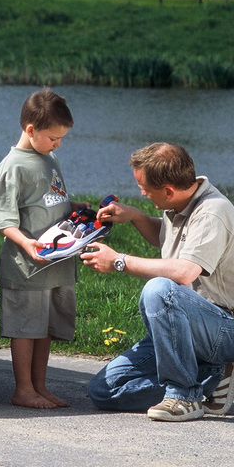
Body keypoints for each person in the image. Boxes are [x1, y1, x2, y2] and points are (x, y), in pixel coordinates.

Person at [81, 143, 234, 422]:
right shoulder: (179, 203)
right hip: (186, 327)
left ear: (168, 190)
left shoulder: (213, 212)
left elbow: (185, 271)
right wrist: (136, 216)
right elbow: (167, 239)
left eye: (145, 188)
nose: (141, 192)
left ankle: (184, 395)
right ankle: (210, 379)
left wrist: (119, 261)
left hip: (224, 328)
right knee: (104, 390)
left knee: (160, 290)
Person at [0, 88, 89, 409]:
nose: (58, 144)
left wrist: (74, 206)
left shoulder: (49, 158)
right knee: (26, 327)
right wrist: (25, 242)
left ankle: (40, 386)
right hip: (27, 265)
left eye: (61, 138)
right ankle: (23, 389)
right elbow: (2, 218)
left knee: (44, 328)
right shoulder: (13, 166)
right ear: (31, 130)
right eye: (53, 138)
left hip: (54, 262)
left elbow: (46, 199)